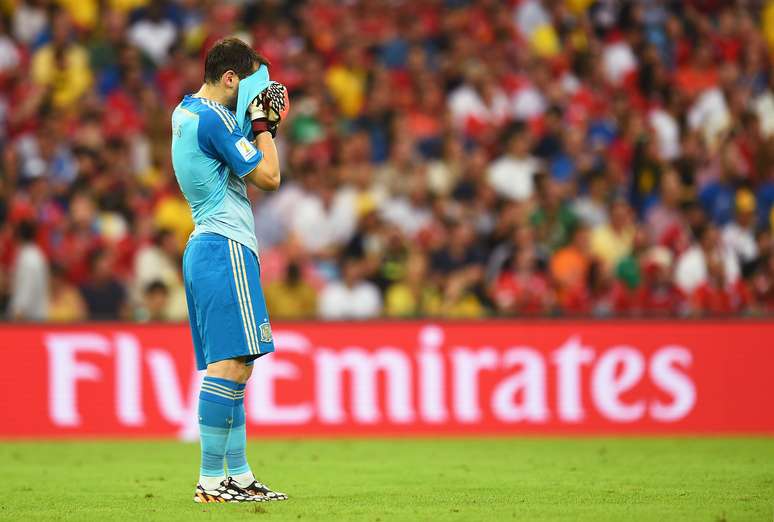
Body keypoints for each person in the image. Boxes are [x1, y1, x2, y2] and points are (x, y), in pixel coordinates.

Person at [170, 38, 287, 503]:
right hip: (225, 246)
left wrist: (251, 119)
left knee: (239, 365)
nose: (255, 95)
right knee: (227, 365)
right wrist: (263, 125)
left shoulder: (188, 112)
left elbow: (225, 150)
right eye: (250, 85)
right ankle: (211, 481)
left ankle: (237, 474)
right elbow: (270, 178)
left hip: (208, 246)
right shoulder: (216, 119)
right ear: (230, 79)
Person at [8, 220, 49, 320]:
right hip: (34, 317)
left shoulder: (29, 260)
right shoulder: (35, 255)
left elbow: (25, 294)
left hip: (28, 320)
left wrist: (17, 314)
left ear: (19, 236)